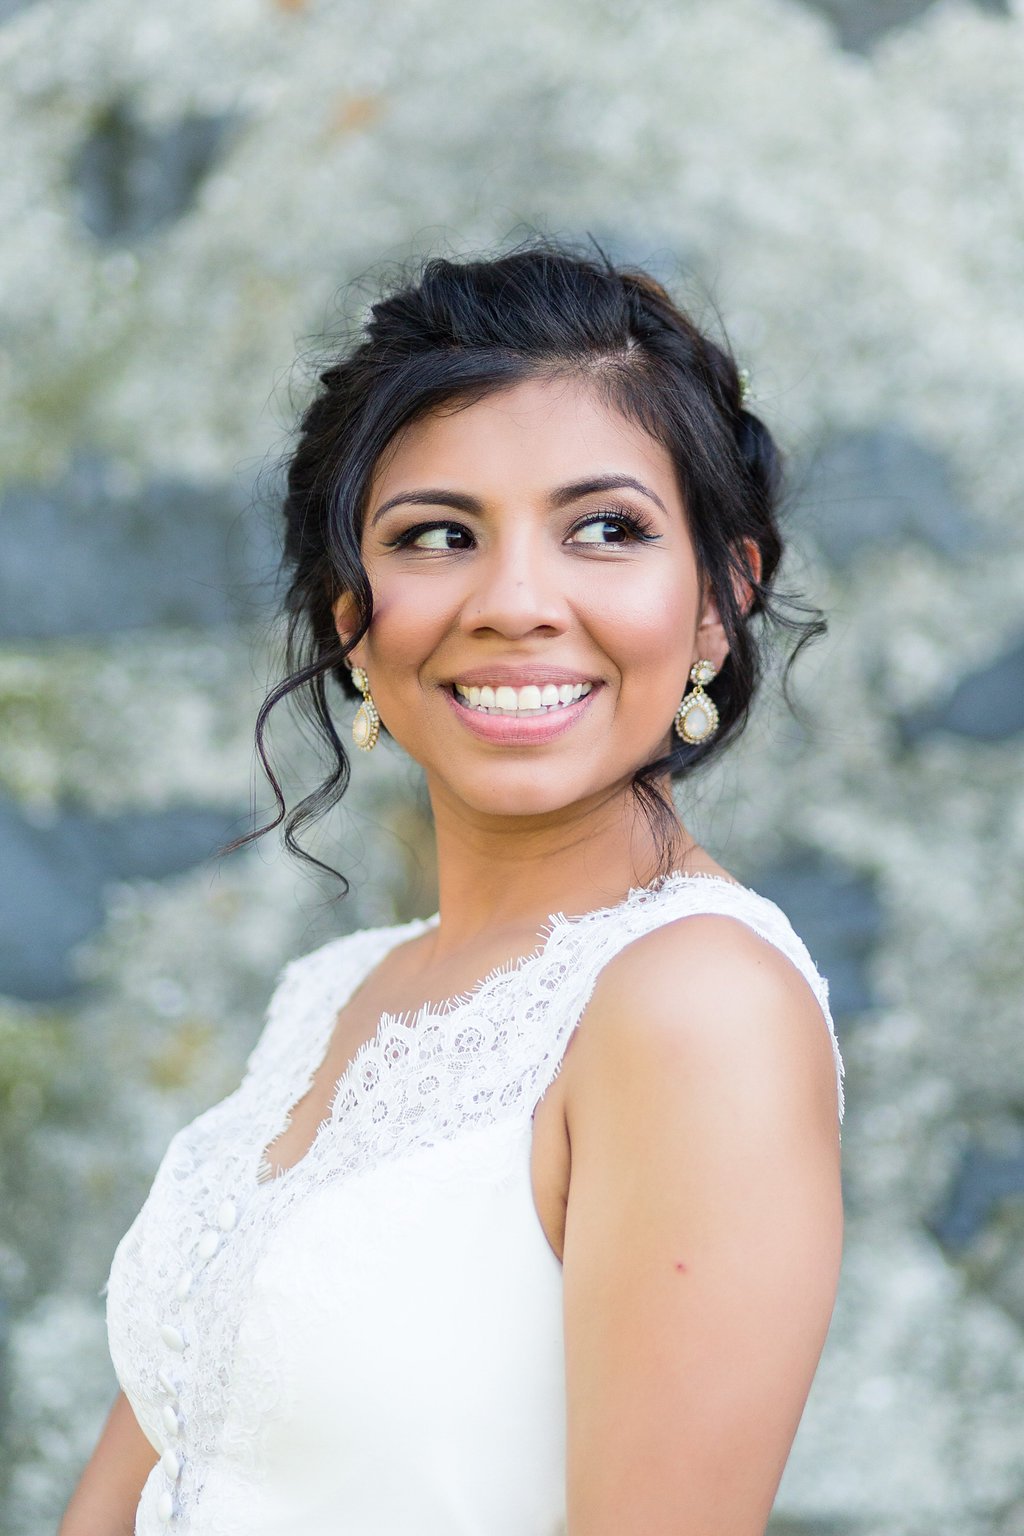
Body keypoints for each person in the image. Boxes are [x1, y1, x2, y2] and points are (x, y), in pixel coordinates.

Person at [61, 243, 846, 1536]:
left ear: (720, 599)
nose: (516, 603)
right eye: (437, 536)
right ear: (351, 619)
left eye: (606, 530)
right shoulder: (332, 993)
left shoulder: (696, 1007)